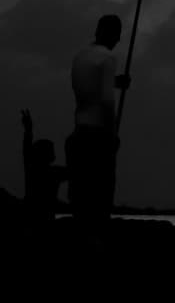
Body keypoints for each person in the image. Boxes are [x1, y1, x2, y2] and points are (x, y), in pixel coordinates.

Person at [65, 14, 130, 233]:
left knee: (80, 193)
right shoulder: (108, 58)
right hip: (98, 135)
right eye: (117, 34)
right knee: (100, 194)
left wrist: (114, 81)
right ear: (111, 34)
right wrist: (112, 136)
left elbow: (87, 84)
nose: (118, 40)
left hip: (79, 131)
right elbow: (105, 102)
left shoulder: (81, 56)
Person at [21, 109, 68, 231]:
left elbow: (27, 150)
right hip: (42, 220)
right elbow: (77, 172)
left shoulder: (33, 169)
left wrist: (28, 129)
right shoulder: (51, 172)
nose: (53, 152)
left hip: (34, 219)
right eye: (51, 149)